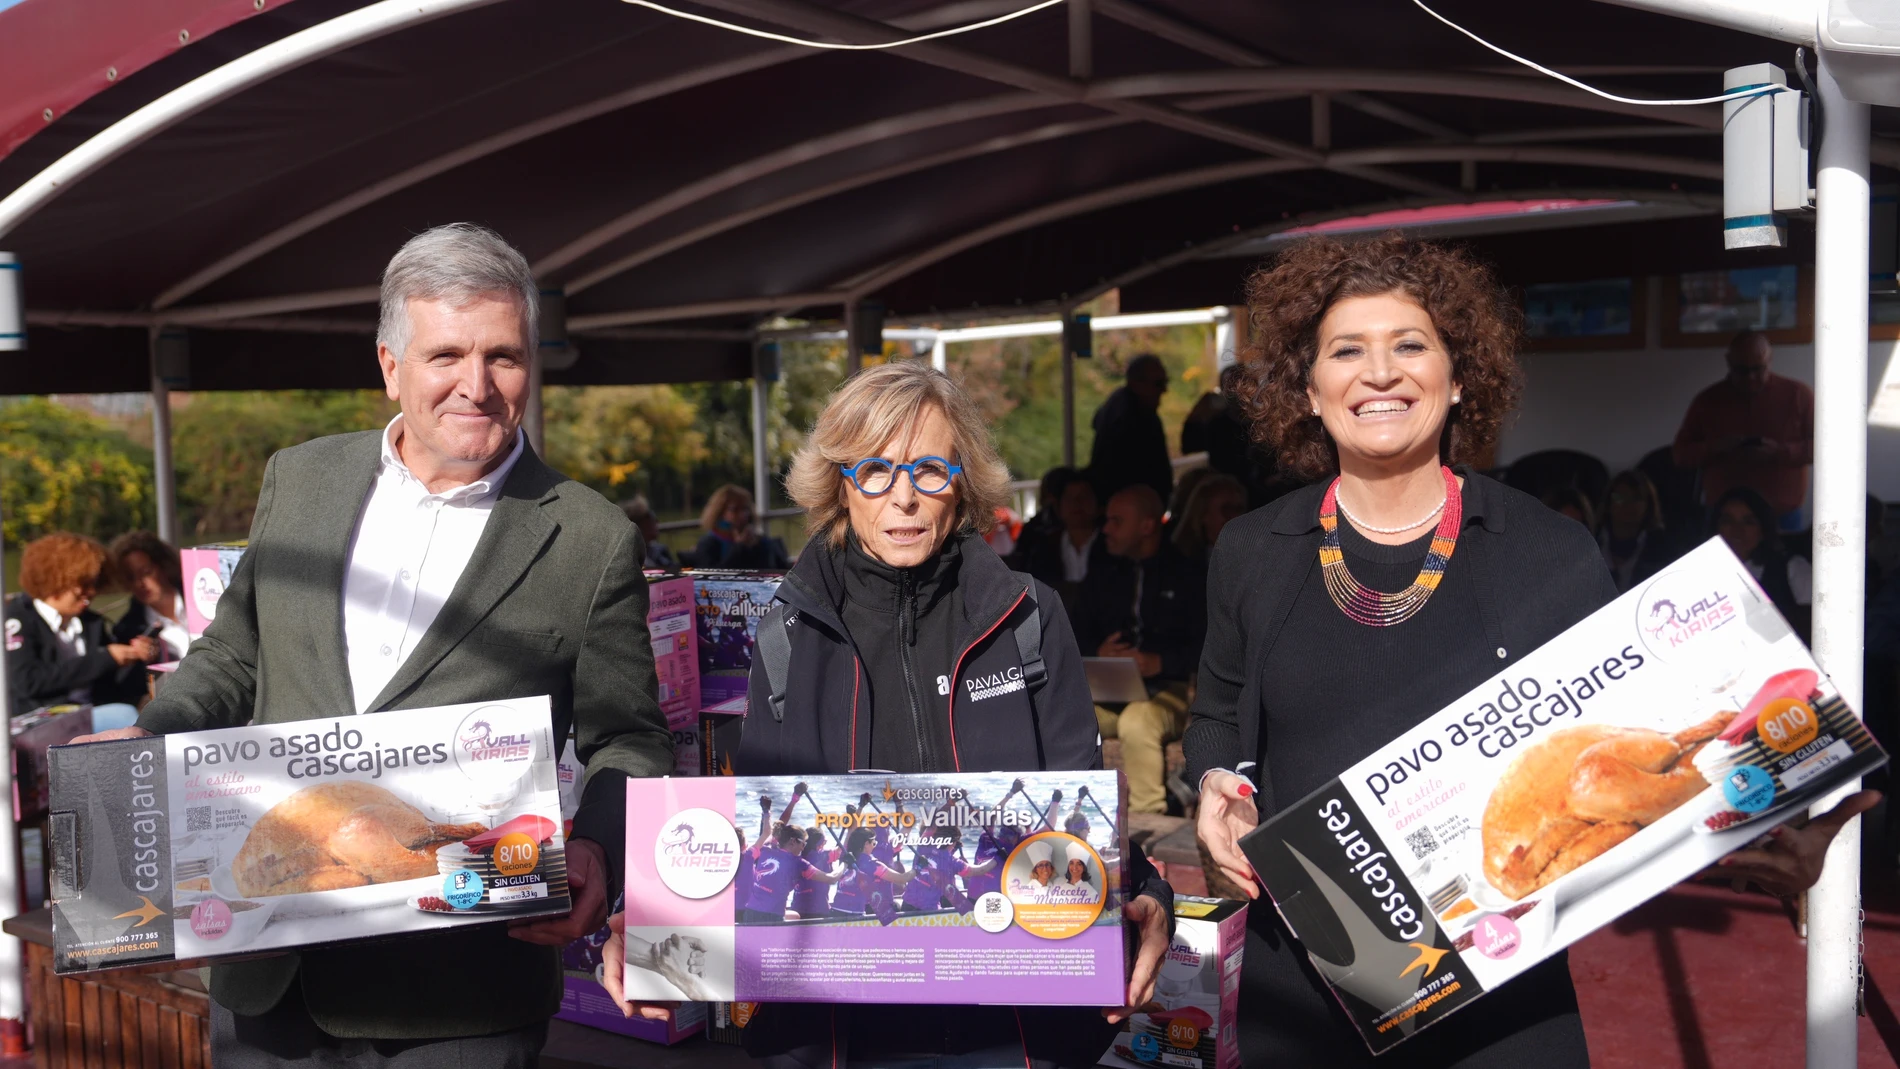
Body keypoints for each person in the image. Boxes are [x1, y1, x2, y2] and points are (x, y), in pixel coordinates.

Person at [1187, 233, 1876, 1069]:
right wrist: (1219, 786)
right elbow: (1220, 712)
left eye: (1410, 345)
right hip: (1303, 983)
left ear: (1460, 376)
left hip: (1502, 990)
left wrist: (1759, 825)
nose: (1379, 373)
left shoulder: (1548, 551)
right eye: (1347, 351)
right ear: (1309, 385)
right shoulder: (1255, 550)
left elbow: (1633, 744)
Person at [72, 223, 675, 1068]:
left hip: (460, 994)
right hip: (271, 974)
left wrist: (598, 847)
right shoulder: (301, 478)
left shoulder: (589, 536)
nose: (478, 385)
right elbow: (237, 652)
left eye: (503, 355)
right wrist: (151, 735)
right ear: (390, 364)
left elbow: (629, 735)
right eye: (447, 356)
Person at [604, 361, 1174, 1069]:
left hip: (1014, 1033)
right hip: (840, 1038)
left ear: (961, 480)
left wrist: (1146, 890)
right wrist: (655, 921)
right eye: (875, 469)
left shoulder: (1028, 616)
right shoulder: (787, 631)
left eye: (930, 469)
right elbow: (758, 834)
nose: (903, 497)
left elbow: (1077, 806)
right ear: (842, 482)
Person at [1075, 484, 1208, 815]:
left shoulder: (1188, 576)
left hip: (1171, 690)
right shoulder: (1104, 574)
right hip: (1108, 690)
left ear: (1147, 526)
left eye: (1117, 521)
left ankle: (1148, 826)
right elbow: (1072, 634)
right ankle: (1076, 815)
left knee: (1137, 721)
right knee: (1071, 716)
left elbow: (1209, 647)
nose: (1105, 529)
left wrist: (1158, 661)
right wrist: (1098, 652)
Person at [5, 532, 151, 724]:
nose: (91, 593)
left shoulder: (91, 622)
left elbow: (113, 684)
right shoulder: (16, 619)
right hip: (38, 721)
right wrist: (106, 658)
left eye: (95, 584)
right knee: (124, 716)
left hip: (91, 713)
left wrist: (135, 656)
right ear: (56, 579)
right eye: (83, 584)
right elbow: (27, 681)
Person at [1673, 329, 1815, 525]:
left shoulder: (1799, 395)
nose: (1750, 377)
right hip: (1724, 516)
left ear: (1770, 361)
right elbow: (1680, 455)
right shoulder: (1706, 401)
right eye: (1742, 370)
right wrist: (1715, 448)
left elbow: (1827, 449)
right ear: (1728, 362)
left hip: (1781, 514)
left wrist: (1780, 452)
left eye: (1758, 369)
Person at [1712, 485, 1811, 635]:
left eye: (1748, 522)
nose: (1737, 530)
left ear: (1763, 528)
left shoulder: (1792, 568)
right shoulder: (1699, 572)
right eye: (1728, 521)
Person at [1016, 469, 1109, 609]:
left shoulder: (1112, 544)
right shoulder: (1044, 546)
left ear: (1099, 504)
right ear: (1058, 506)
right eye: (1070, 498)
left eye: (1084, 497)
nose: (1077, 503)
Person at [1090, 353, 1174, 505]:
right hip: (1134, 506)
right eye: (1159, 383)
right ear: (1136, 383)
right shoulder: (1137, 417)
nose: (1164, 390)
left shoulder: (1116, 407)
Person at [108, 531, 192, 662]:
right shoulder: (127, 630)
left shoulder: (201, 594)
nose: (139, 583)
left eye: (146, 572)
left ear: (164, 565)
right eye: (130, 578)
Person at [1597, 469, 1676, 592]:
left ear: (1648, 505)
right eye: (1619, 497)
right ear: (1608, 502)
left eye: (1636, 498)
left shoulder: (1663, 552)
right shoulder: (1590, 541)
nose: (1627, 503)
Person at [693, 484, 791, 569]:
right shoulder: (708, 543)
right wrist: (739, 548)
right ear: (720, 512)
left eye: (745, 509)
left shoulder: (760, 541)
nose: (742, 515)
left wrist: (759, 547)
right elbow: (710, 579)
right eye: (734, 510)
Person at [1172, 473, 1247, 562]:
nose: (1236, 517)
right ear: (1203, 513)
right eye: (1227, 509)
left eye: (1239, 509)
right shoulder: (1182, 565)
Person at [619, 495, 679, 571]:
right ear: (636, 524)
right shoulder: (629, 560)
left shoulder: (660, 551)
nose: (656, 520)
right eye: (649, 516)